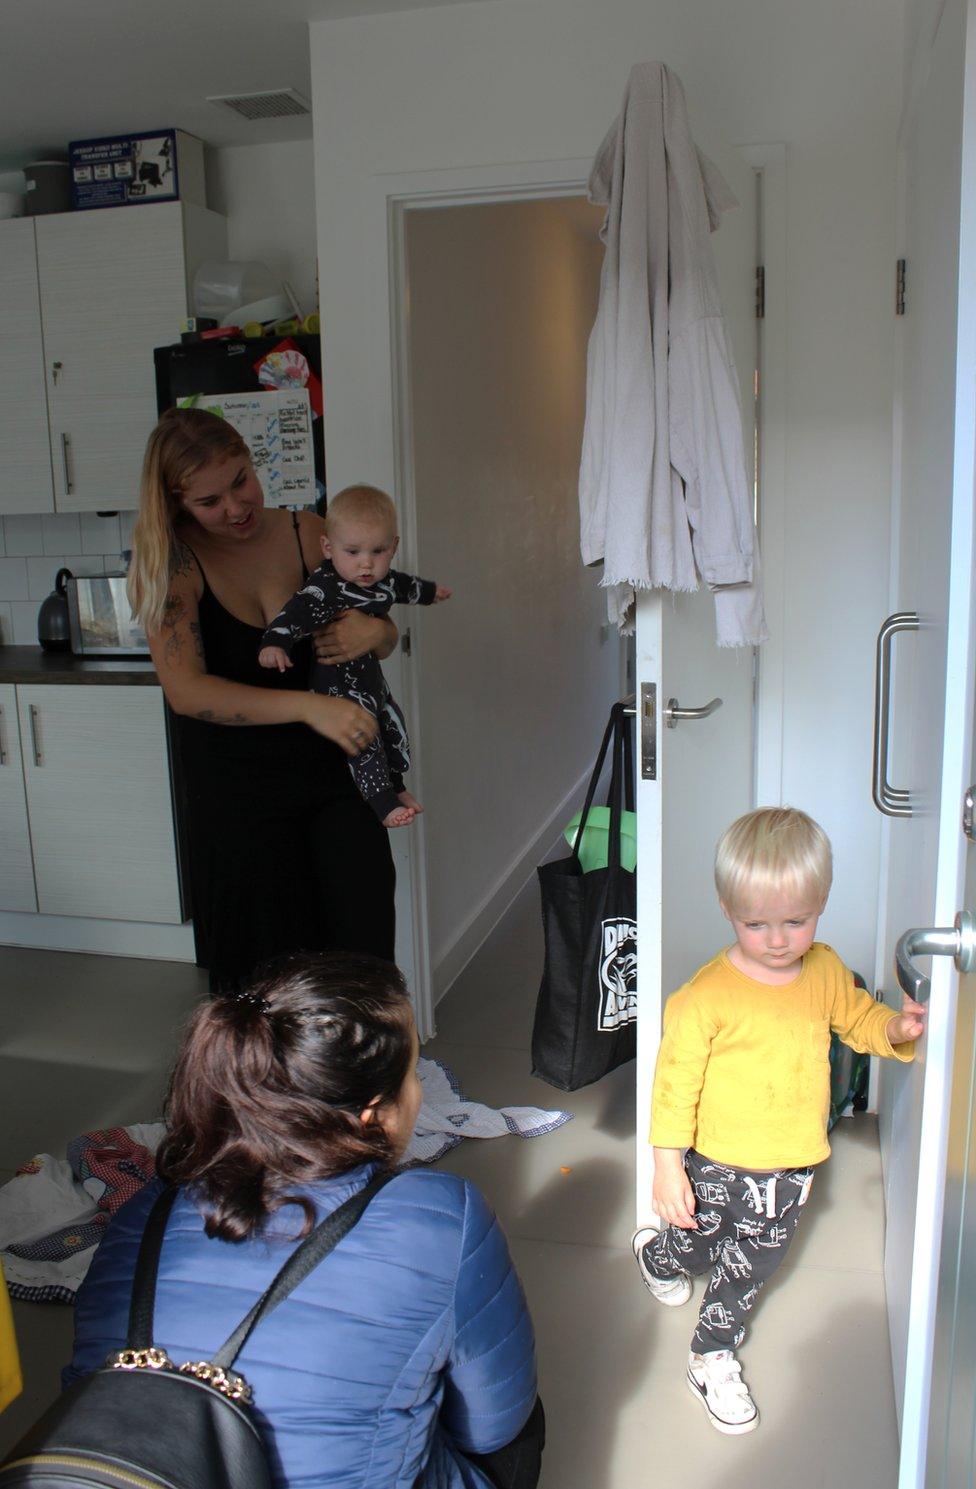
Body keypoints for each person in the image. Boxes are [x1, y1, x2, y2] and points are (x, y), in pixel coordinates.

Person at [65, 952, 545, 1489]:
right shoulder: (442, 1216)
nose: (418, 1094)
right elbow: (492, 1425)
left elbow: (83, 1388)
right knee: (513, 1420)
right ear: (372, 1115)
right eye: (413, 1076)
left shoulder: (143, 1212)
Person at [632, 806, 924, 1436]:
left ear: (821, 903)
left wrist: (897, 1028)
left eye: (796, 921)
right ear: (725, 907)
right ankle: (660, 1257)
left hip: (791, 1166)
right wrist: (665, 1168)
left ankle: (710, 1354)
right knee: (696, 1243)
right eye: (755, 923)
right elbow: (672, 1088)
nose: (776, 939)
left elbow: (858, 1020)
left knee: (748, 1268)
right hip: (713, 1162)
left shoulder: (822, 969)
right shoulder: (704, 998)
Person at [127, 408, 397, 993]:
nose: (236, 507)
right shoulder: (173, 564)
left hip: (337, 779)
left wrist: (378, 634)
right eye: (209, 502)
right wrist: (307, 707)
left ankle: (364, 1081)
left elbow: (380, 629)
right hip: (237, 796)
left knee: (362, 951)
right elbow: (186, 691)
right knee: (265, 975)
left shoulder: (309, 532)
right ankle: (269, 1089)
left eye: (241, 480)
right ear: (176, 505)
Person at [259, 484, 451, 828]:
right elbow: (295, 613)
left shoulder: (384, 580)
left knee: (393, 728)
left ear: (394, 547)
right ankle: (382, 805)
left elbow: (407, 586)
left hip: (372, 684)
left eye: (378, 551)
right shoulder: (327, 586)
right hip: (338, 690)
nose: (366, 563)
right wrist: (275, 643)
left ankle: (396, 788)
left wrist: (432, 592)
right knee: (364, 742)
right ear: (328, 548)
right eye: (353, 552)